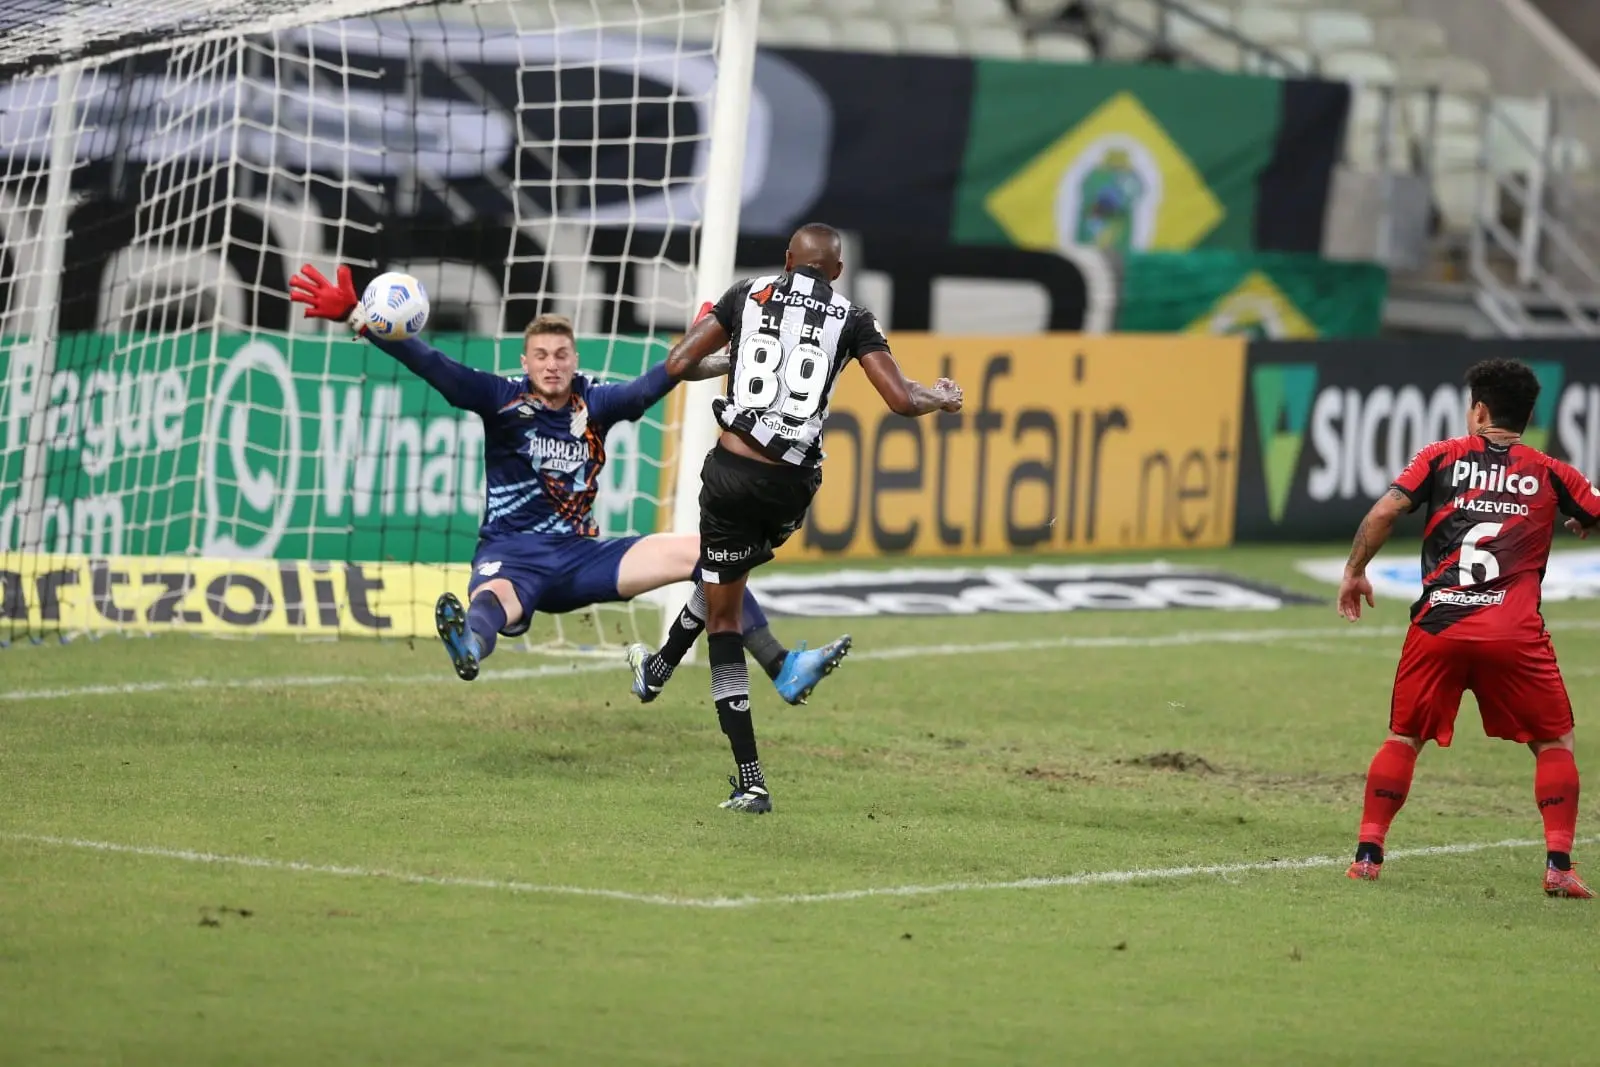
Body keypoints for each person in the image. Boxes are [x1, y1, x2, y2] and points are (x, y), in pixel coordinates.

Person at [286, 263, 847, 702]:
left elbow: (659, 380)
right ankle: (470, 646)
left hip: (583, 559)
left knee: (708, 551)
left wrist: (711, 332)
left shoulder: (594, 401)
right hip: (514, 556)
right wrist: (361, 319)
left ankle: (783, 666)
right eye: (540, 356)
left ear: (575, 358)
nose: (551, 364)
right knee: (492, 598)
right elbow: (435, 366)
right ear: (524, 362)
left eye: (560, 354)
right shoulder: (500, 399)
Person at [642, 222, 964, 813]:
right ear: (836, 272)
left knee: (723, 617)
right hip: (794, 489)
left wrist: (726, 360)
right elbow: (899, 400)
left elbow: (678, 362)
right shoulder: (854, 317)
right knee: (723, 576)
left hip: (732, 476)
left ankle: (751, 780)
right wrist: (940, 398)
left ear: (788, 260)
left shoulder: (747, 294)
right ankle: (658, 670)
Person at [1337, 358, 1600, 898]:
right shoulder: (1551, 471)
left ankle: (1368, 855)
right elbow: (1595, 510)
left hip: (1440, 627)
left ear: (1478, 410)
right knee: (1555, 741)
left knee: (1404, 737)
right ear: (1528, 415)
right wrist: (1583, 518)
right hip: (1514, 633)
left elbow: (1384, 512)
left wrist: (1355, 571)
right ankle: (1558, 865)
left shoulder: (1440, 457)